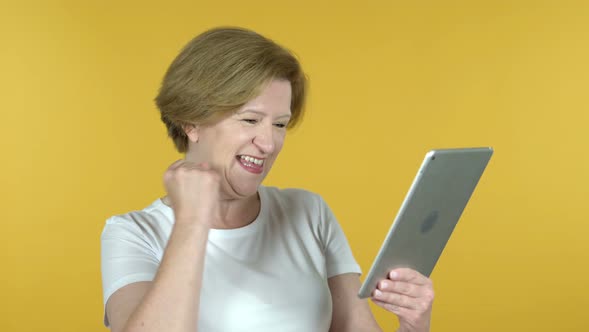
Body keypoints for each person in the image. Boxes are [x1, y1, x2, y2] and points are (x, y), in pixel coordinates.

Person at [100, 27, 434, 332]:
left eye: (279, 124)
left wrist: (413, 325)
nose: (269, 143)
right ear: (192, 123)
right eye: (250, 119)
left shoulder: (309, 213)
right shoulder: (133, 234)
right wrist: (191, 221)